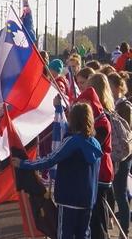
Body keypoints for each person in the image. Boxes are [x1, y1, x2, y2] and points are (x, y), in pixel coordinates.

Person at [12, 102, 103, 239]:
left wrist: (24, 164)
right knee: (83, 234)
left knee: (64, 234)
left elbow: (50, 159)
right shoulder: (95, 143)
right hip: (88, 199)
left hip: (69, 198)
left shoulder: (72, 142)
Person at [78, 82, 113, 239]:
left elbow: (93, 147)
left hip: (101, 172)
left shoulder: (102, 123)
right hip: (97, 171)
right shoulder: (97, 120)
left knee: (98, 214)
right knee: (95, 213)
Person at [107, 72, 132, 237]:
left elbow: (126, 132)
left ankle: (124, 230)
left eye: (110, 86)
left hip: (123, 156)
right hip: (114, 154)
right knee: (115, 192)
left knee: (120, 193)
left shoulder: (124, 106)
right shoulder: (113, 104)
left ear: (117, 87)